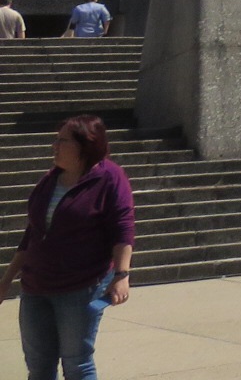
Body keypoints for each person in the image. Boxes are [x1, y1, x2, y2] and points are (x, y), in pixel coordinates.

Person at [0, 114, 135, 380]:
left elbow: (123, 228)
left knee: (77, 365)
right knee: (39, 367)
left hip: (81, 287)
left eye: (62, 141)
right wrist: (6, 280)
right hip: (36, 287)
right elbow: (33, 234)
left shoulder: (109, 177)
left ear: (85, 145)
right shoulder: (50, 180)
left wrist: (121, 275)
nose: (55, 146)